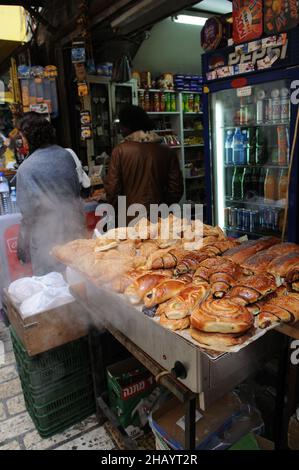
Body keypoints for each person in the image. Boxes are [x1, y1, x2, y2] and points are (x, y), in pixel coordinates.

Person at [16, 112, 85, 275]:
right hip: (73, 230)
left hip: (46, 239)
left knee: (52, 287)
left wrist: (22, 245)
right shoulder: (65, 155)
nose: (22, 142)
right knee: (76, 278)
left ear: (29, 137)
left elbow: (28, 214)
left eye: (22, 137)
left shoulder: (26, 168)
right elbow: (76, 191)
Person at [105, 105, 184, 220]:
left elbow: (112, 190)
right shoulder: (166, 151)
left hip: (130, 219)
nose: (120, 130)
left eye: (121, 125)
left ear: (128, 126)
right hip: (160, 218)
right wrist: (161, 209)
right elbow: (176, 190)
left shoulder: (120, 151)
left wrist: (120, 213)